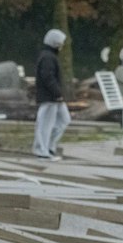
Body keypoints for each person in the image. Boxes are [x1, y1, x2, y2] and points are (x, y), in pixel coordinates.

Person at [32, 27, 69, 160]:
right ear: (56, 43)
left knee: (64, 120)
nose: (63, 45)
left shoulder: (50, 56)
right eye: (61, 43)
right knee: (45, 124)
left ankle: (49, 146)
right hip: (49, 97)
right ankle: (42, 150)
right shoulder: (47, 57)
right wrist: (57, 93)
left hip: (54, 97)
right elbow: (48, 77)